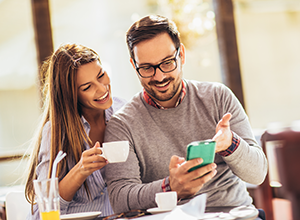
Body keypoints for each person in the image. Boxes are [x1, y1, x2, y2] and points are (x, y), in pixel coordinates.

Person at [104, 15, 268, 214]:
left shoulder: (218, 97)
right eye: (147, 68)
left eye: (166, 63)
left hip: (231, 214)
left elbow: (258, 174)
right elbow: (120, 198)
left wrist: (231, 144)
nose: (160, 76)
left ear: (181, 54)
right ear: (134, 65)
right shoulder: (122, 124)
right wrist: (170, 187)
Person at [24, 43, 126, 219]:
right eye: (87, 87)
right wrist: (80, 170)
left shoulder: (123, 111)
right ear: (72, 95)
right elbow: (42, 213)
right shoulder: (56, 133)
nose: (102, 89)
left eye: (101, 75)